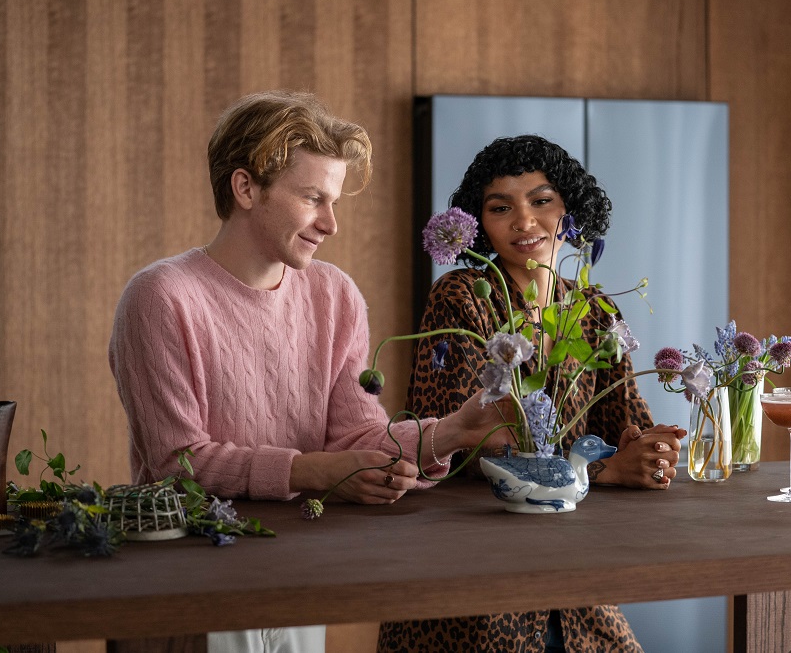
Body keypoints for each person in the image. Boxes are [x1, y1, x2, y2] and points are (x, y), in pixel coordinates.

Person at [108, 90, 505, 653]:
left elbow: (357, 437)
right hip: (192, 579)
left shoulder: (334, 294)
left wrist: (456, 430)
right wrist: (315, 472)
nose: (331, 223)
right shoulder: (161, 297)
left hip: (301, 573)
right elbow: (179, 463)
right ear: (246, 188)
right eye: (313, 198)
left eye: (335, 200)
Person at [377, 135, 687, 652]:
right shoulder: (461, 298)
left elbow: (625, 422)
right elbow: (478, 442)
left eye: (541, 201)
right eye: (501, 208)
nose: (524, 222)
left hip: (574, 571)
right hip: (471, 581)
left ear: (570, 211)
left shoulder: (596, 309)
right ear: (479, 226)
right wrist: (605, 470)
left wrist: (648, 447)